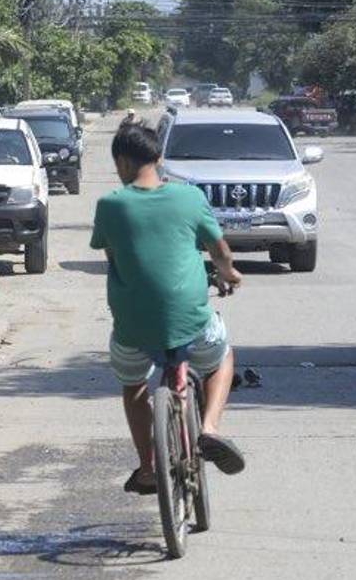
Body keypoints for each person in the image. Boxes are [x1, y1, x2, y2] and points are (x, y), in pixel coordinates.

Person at [90, 124, 245, 495]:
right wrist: (229, 275)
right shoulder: (189, 198)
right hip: (190, 320)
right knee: (222, 356)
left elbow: (113, 256)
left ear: (121, 162)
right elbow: (220, 253)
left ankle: (148, 468)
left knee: (133, 385)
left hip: (132, 327)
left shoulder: (110, 205)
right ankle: (209, 428)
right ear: (159, 159)